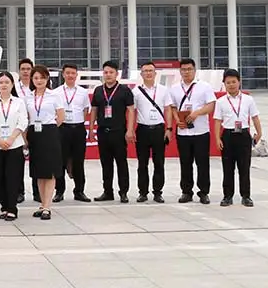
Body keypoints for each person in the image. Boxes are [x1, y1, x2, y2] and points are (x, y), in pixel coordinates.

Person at [170, 58, 217, 204]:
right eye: (183, 70)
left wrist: (197, 113)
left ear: (195, 70)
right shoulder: (175, 88)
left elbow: (211, 105)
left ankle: (203, 192)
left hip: (201, 132)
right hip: (183, 132)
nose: (186, 72)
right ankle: (186, 192)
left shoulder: (204, 86)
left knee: (202, 163)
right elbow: (172, 107)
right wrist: (177, 120)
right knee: (185, 163)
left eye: (189, 69)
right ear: (180, 71)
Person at [213, 69, 262, 207]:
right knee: (228, 168)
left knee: (244, 168)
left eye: (234, 82)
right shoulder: (220, 101)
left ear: (239, 82)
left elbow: (255, 117)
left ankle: (246, 196)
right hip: (228, 136)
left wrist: (259, 133)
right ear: (224, 84)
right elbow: (217, 121)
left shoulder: (248, 99)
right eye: (228, 82)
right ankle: (227, 196)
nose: (231, 85)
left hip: (244, 135)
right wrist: (217, 138)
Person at [89, 60, 136, 203]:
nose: (108, 75)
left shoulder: (124, 90)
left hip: (119, 132)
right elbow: (94, 110)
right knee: (106, 163)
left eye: (111, 72)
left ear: (117, 74)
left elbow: (131, 110)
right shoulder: (98, 90)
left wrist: (130, 130)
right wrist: (91, 129)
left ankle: (123, 192)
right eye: (106, 72)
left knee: (121, 163)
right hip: (103, 131)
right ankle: (107, 192)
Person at [0, 71, 28, 221]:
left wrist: (10, 139)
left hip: (14, 144)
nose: (4, 85)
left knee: (13, 176)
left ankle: (12, 208)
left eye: (7, 82)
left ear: (12, 85)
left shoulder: (19, 102)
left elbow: (23, 122)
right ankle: (4, 206)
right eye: (1, 82)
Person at [26, 64, 65, 220]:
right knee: (39, 172)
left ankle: (48, 207)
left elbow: (60, 117)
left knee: (50, 172)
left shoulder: (54, 95)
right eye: (36, 78)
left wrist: (49, 129)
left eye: (42, 77)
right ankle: (42, 204)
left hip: (49, 133)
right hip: (34, 134)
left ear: (47, 78)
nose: (39, 80)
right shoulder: (28, 96)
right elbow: (26, 117)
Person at [133, 62, 174, 203]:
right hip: (142, 130)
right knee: (142, 163)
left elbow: (168, 109)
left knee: (159, 163)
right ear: (141, 74)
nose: (148, 73)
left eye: (151, 71)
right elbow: (132, 112)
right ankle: (142, 192)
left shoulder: (164, 90)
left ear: (155, 73)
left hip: (159, 130)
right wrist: (131, 129)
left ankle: (158, 192)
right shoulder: (136, 91)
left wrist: (169, 129)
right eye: (145, 71)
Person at [56, 63, 92, 203]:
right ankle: (59, 191)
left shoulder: (83, 92)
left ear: (77, 75)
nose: (70, 75)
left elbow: (85, 110)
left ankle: (79, 191)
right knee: (60, 161)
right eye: (68, 73)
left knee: (78, 161)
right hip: (62, 128)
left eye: (73, 73)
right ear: (63, 74)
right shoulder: (57, 92)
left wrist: (78, 122)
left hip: (78, 129)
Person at [16, 57, 36, 203]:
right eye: (23, 69)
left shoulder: (38, 87)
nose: (25, 72)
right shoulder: (14, 87)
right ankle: (19, 192)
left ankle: (37, 192)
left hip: (35, 127)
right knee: (17, 163)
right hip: (18, 128)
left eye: (28, 69)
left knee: (37, 161)